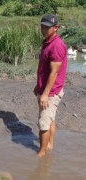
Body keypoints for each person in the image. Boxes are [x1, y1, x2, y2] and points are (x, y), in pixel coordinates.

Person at [33, 14, 67, 157]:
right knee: (50, 119)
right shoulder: (47, 42)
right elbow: (44, 69)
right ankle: (50, 146)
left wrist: (46, 94)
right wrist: (38, 86)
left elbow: (54, 72)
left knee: (43, 124)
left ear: (56, 28)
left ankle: (41, 155)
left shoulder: (57, 45)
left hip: (51, 92)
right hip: (46, 89)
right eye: (42, 26)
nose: (44, 29)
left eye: (47, 27)